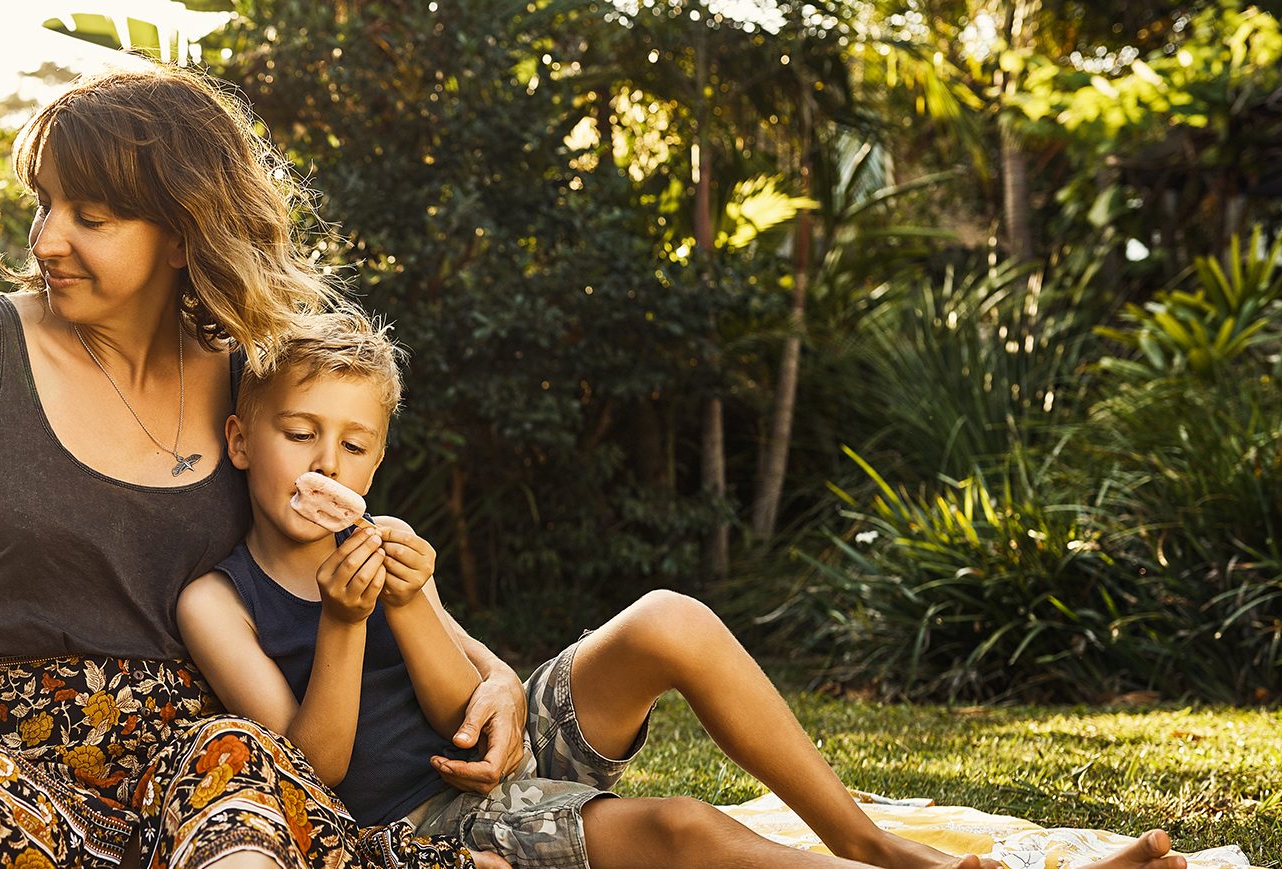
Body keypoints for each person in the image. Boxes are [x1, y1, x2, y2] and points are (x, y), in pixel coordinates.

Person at [175, 309, 1193, 869]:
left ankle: (863, 838)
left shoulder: (387, 544)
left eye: (353, 444)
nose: (326, 462)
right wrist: (352, 622)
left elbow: (466, 689)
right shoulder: (215, 600)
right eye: (297, 432)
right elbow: (308, 772)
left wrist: (459, 653)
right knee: (681, 829)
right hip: (418, 820)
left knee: (667, 615)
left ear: (379, 456)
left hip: (494, 752)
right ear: (239, 439)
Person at [0, 67, 522, 867]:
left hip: (218, 771)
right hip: (22, 784)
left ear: (180, 232)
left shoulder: (254, 377)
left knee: (234, 771)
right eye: (44, 204)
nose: (45, 239)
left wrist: (498, 678)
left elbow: (348, 547)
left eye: (89, 216)